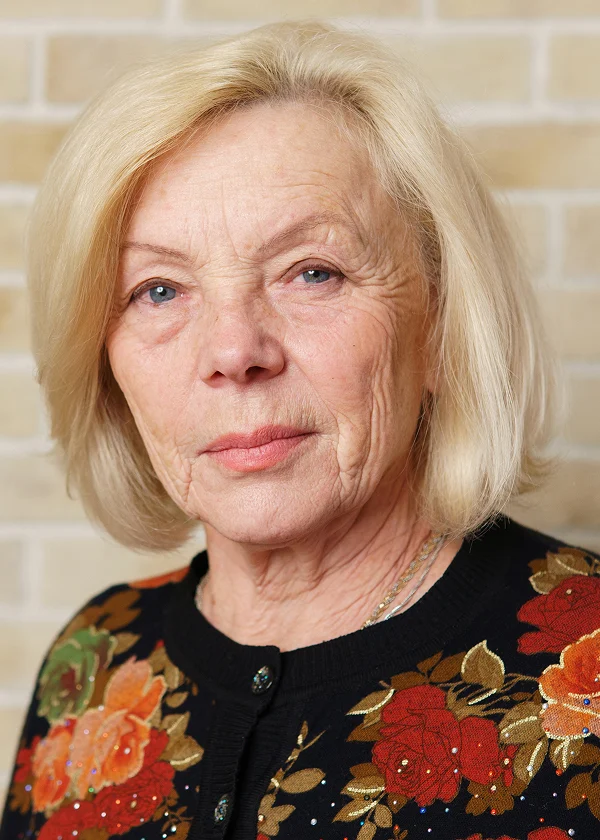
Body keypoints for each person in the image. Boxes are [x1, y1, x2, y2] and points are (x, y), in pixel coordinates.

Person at [1, 17, 597, 840]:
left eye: (311, 272)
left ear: (440, 323)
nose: (234, 351)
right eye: (159, 290)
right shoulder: (94, 661)